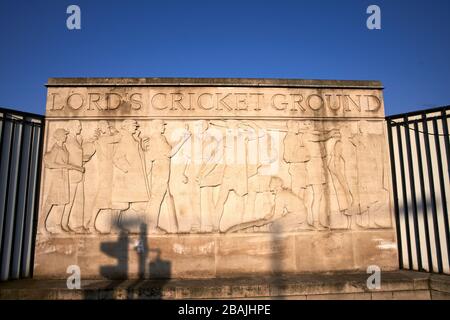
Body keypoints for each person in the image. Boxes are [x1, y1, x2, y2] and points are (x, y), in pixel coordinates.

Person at [143, 120, 190, 234]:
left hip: (161, 170)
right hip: (160, 170)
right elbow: (170, 153)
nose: (163, 127)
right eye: (161, 125)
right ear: (155, 126)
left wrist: (181, 139)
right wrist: (184, 139)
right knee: (156, 198)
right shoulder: (157, 138)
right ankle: (151, 227)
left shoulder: (159, 137)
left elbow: (169, 148)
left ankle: (150, 226)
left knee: (158, 198)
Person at [39, 128, 84, 235]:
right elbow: (50, 164)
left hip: (64, 176)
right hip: (57, 177)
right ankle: (41, 225)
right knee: (50, 202)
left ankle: (58, 226)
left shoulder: (63, 147)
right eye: (64, 135)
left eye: (66, 134)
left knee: (63, 202)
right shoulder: (56, 149)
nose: (66, 136)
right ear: (59, 136)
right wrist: (72, 167)